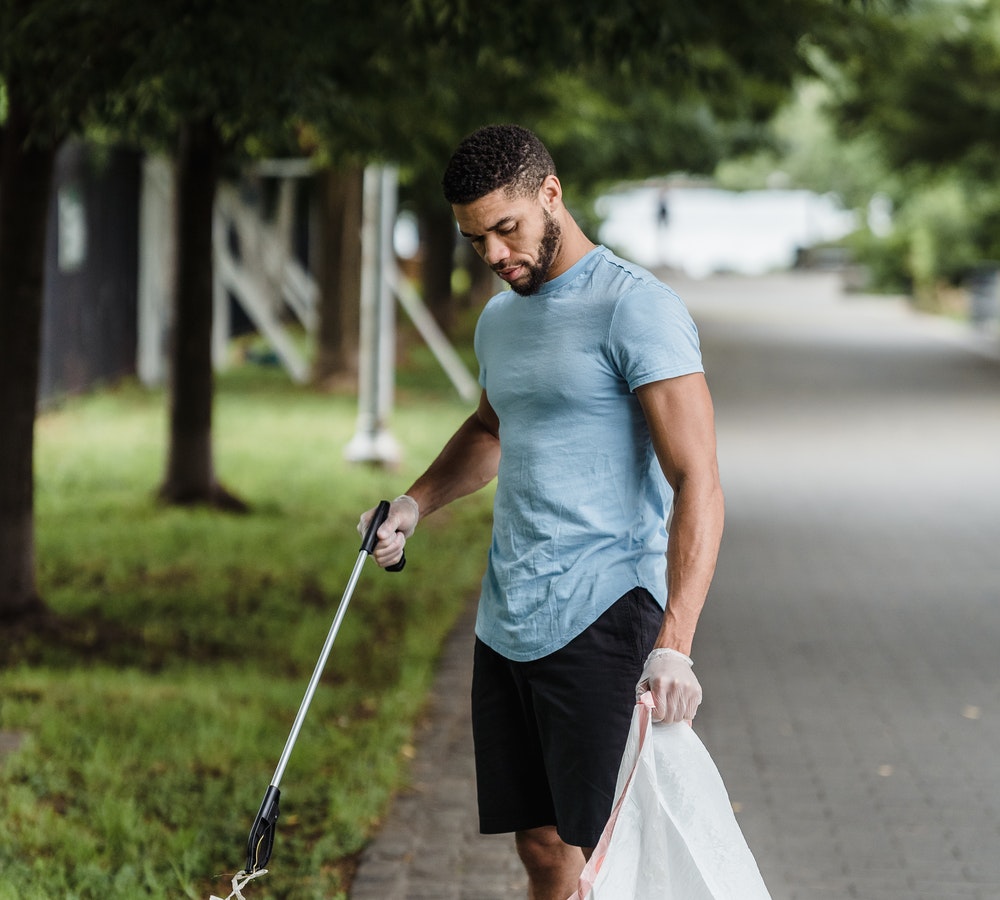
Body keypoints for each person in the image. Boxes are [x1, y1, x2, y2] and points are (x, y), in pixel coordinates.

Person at [359, 124, 724, 900]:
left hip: (606, 614)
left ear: (550, 194)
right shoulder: (501, 317)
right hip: (511, 617)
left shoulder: (636, 309)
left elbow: (699, 481)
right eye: (474, 238)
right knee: (541, 844)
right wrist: (414, 507)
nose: (493, 253)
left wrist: (676, 644)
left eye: (505, 228)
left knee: (610, 855)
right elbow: (494, 429)